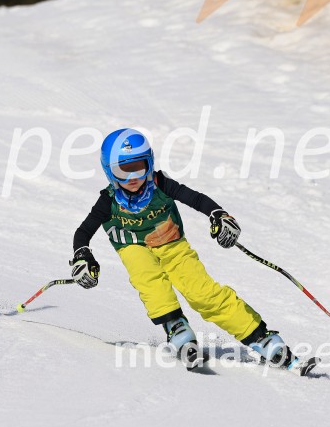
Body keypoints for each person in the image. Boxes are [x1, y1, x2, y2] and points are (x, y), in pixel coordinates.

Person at [70, 127, 311, 373]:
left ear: (150, 163)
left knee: (203, 293)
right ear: (109, 171)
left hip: (172, 244)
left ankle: (261, 337)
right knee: (150, 281)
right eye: (122, 170)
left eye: (139, 167)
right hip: (132, 247)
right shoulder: (108, 201)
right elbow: (83, 232)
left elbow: (196, 199)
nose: (132, 177)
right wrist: (82, 255)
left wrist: (219, 215)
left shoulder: (160, 184)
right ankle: (177, 328)